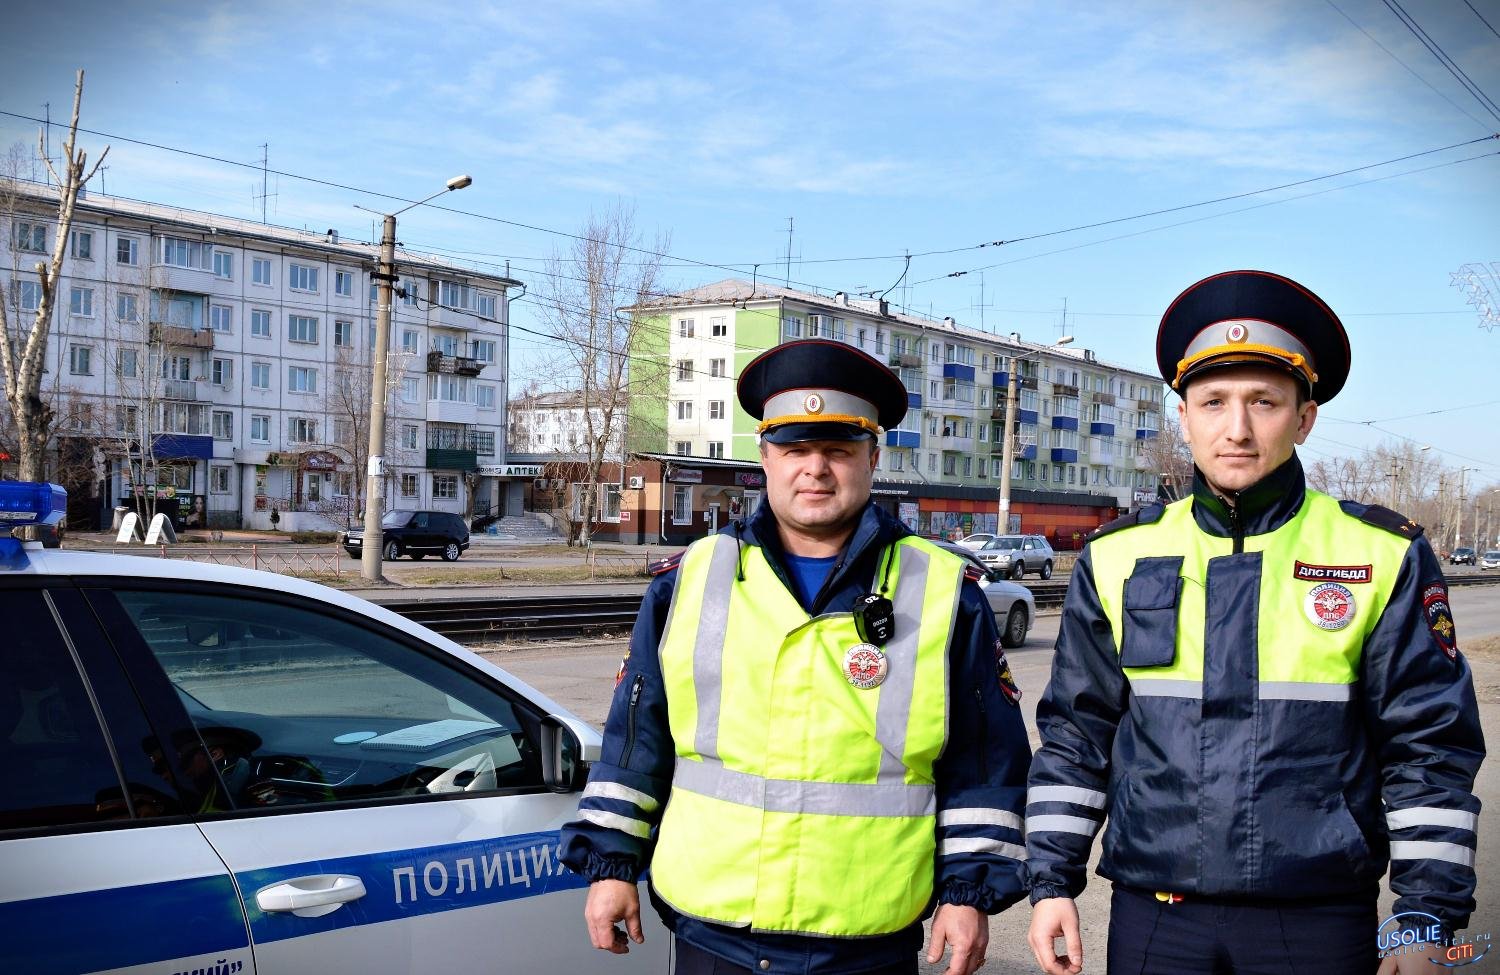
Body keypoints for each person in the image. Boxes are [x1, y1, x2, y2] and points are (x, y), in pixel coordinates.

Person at [1025, 270, 1485, 974]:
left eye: (1263, 402)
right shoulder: (1118, 553)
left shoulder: (1381, 552)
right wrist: (1052, 880)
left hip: (1318, 920)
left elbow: (1429, 748)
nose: (1235, 427)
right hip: (1156, 919)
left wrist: (1425, 917)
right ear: (1184, 416)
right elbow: (1077, 731)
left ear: (1304, 417)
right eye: (1213, 401)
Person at [561, 338, 1031, 975]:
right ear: (765, 457)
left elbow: (985, 759)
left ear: (873, 457)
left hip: (867, 933)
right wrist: (611, 863)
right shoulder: (688, 581)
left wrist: (967, 893)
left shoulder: (948, 592)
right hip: (714, 928)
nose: (815, 469)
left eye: (837, 449)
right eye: (796, 449)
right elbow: (634, 739)